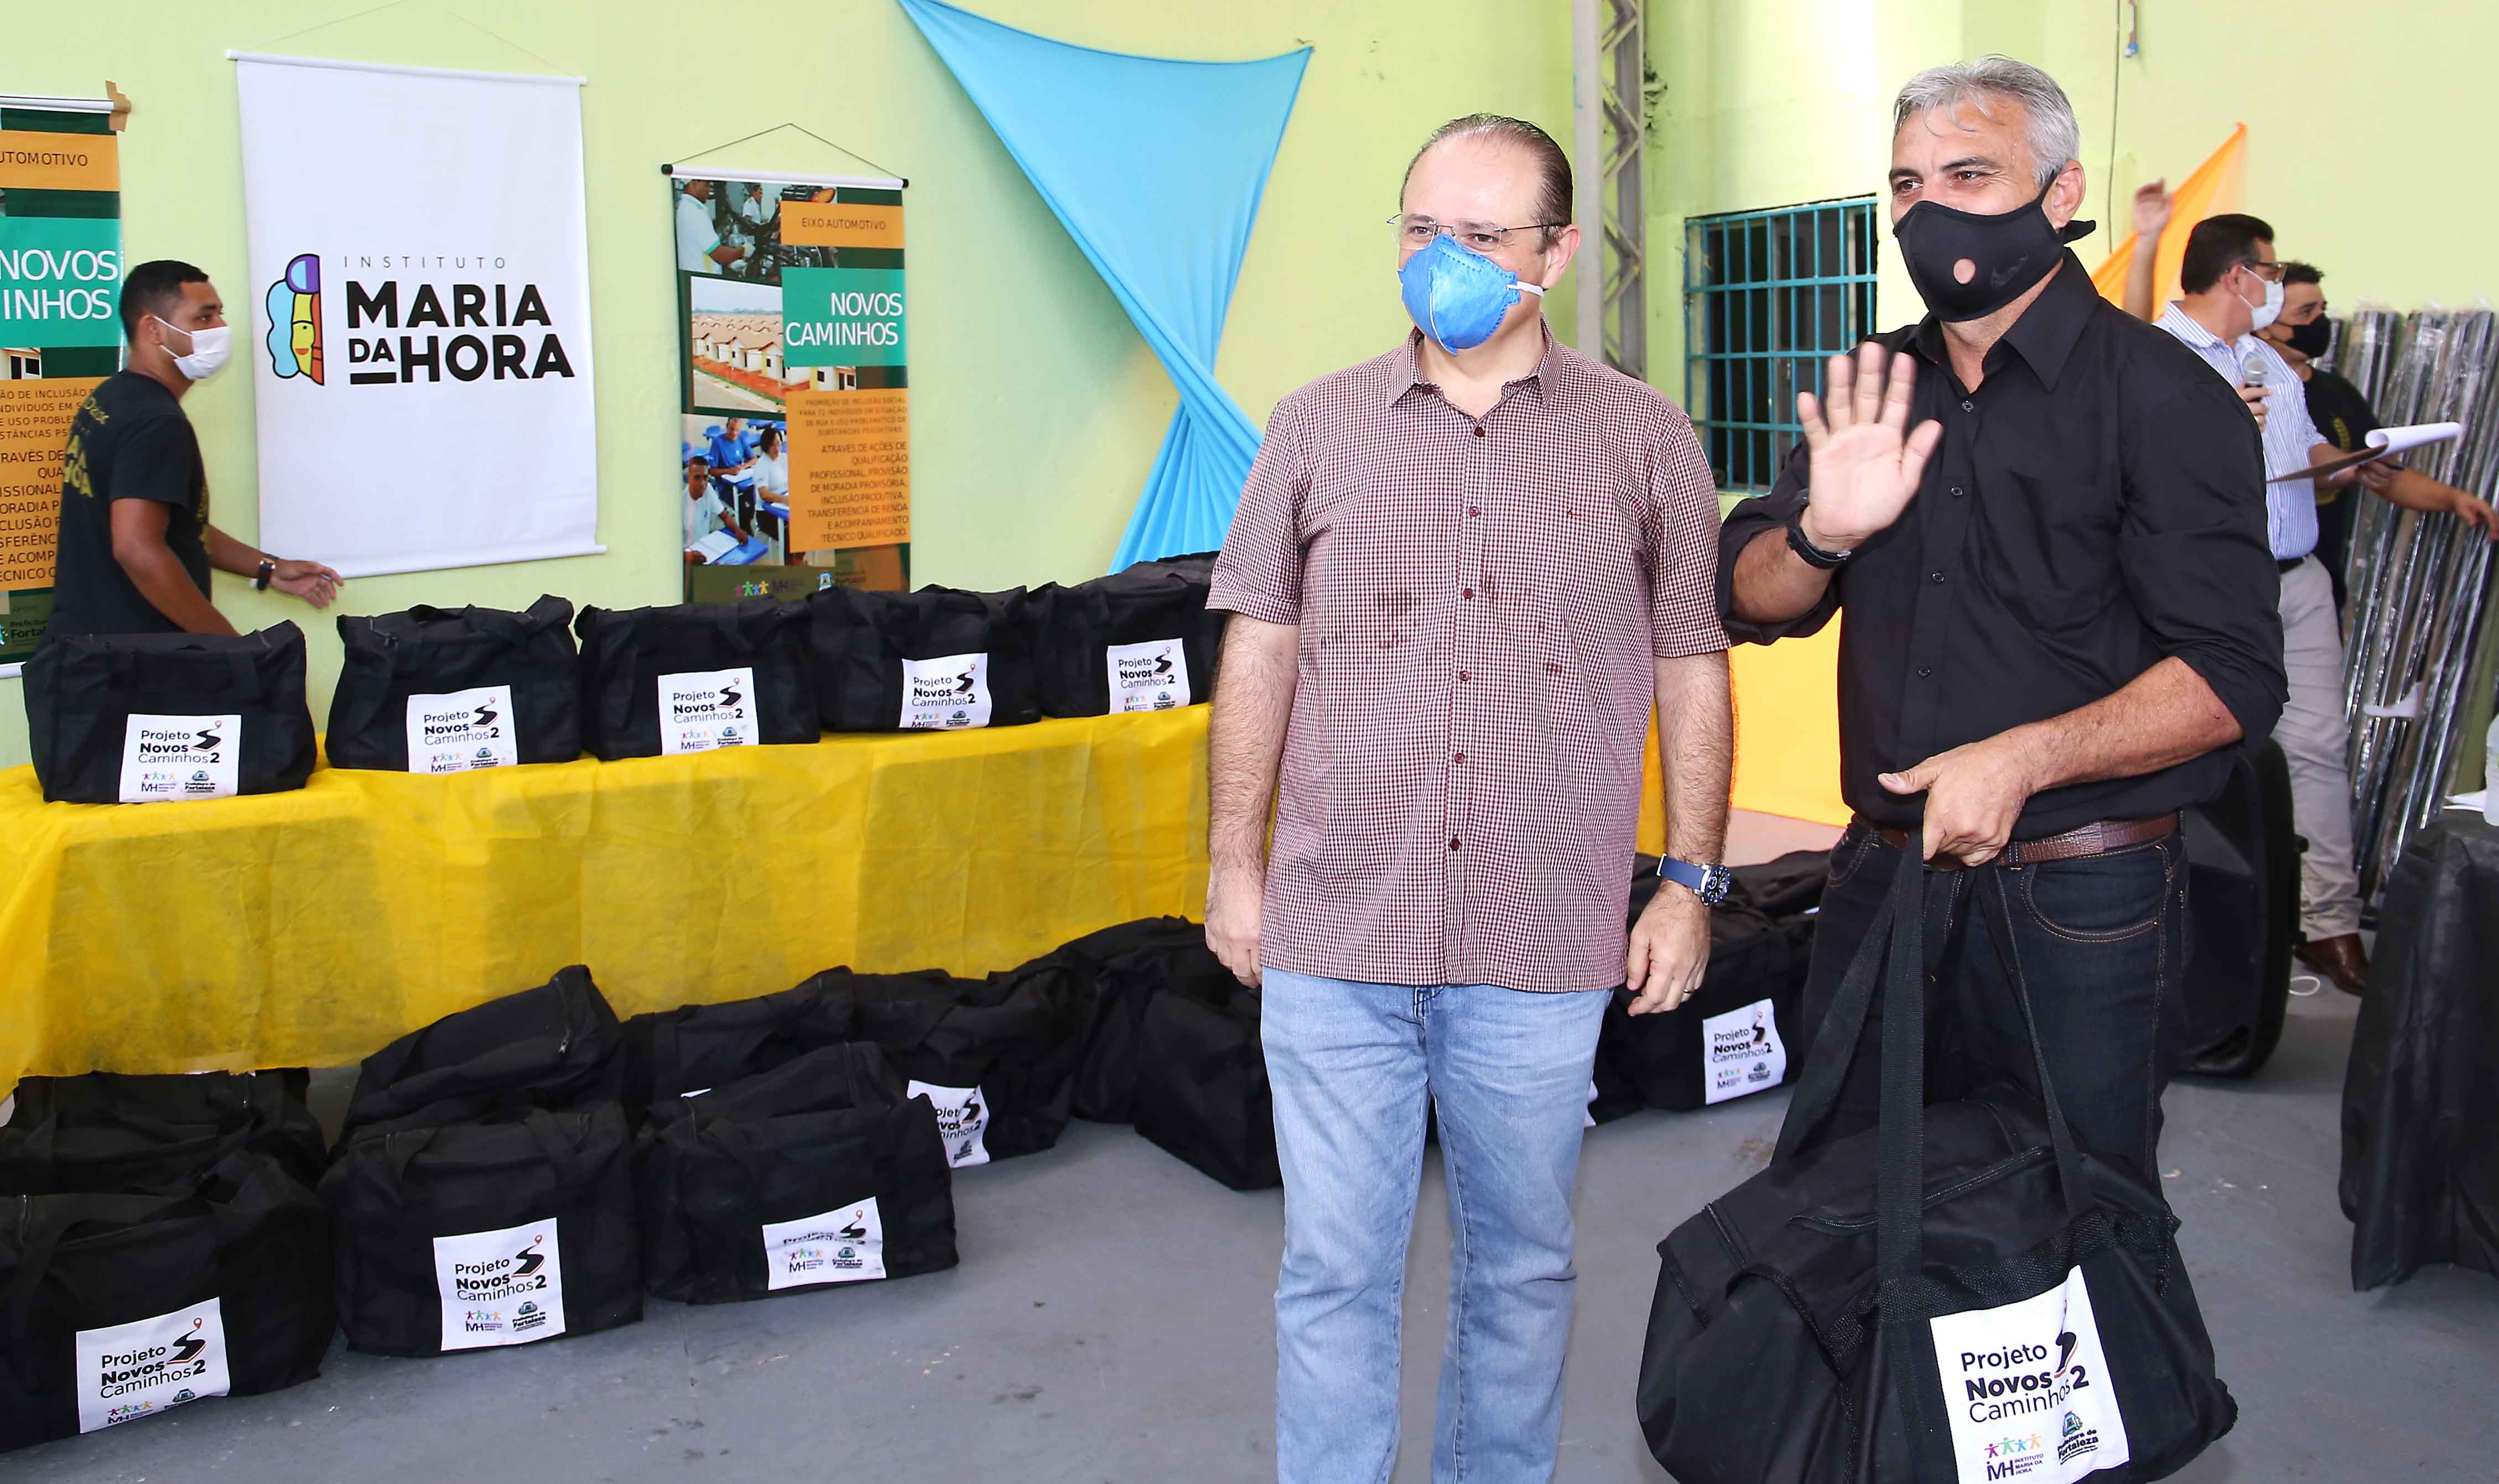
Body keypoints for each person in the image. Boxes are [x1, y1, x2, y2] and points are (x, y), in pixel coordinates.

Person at [1205, 113, 1733, 1482]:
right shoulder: (1313, 427)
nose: (1442, 258)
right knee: (1332, 1275)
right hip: (1337, 931)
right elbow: (1258, 640)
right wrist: (1232, 863)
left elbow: (1691, 657)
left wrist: (1688, 880)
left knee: (1520, 1274)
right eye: (1420, 228)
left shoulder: (1645, 439)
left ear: (1555, 253)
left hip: (1540, 944)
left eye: (1482, 234)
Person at [1717, 58, 2285, 1181]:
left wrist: (2024, 758)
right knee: (1840, 1216)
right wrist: (1822, 534)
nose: (1927, 209)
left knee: (2070, 1226)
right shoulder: (1867, 386)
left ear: (2061, 193)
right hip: (1878, 886)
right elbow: (1745, 596)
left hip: (2082, 900)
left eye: (1968, 174)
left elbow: (2230, 674)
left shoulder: (2163, 401)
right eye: (1906, 184)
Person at [2149, 215, 2377, 994]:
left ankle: (2328, 925)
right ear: (2238, 275)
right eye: (2272, 272)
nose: (2280, 288)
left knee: (2317, 746)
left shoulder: (2267, 360)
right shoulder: (2152, 356)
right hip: (2207, 584)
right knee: (2192, 753)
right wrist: (2212, 428)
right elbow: (2130, 478)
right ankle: (2189, 935)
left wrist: (2350, 463)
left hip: (2298, 577)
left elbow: (2306, 450)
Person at [48, 260, 341, 641]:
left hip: (86, 657)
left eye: (219, 314)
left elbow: (171, 522)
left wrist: (268, 567)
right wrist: (236, 651)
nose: (220, 329)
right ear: (154, 329)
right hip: (132, 667)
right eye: (203, 319)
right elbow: (137, 547)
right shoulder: (156, 422)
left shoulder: (113, 397)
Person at [2262, 262, 2499, 606]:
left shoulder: (2337, 392)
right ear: (2266, 325)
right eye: (2306, 312)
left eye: (2322, 310)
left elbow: (2382, 473)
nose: (2320, 322)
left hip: (2318, 576)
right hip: (2262, 578)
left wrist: (2454, 499)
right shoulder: (2252, 394)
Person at [682, 447, 747, 563]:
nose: (702, 483)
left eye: (705, 478)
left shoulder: (708, 490)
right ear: (689, 478)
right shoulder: (679, 505)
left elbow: (725, 516)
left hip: (706, 549)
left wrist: (738, 531)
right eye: (697, 478)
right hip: (685, 559)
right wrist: (686, 556)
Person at [674, 179, 750, 275]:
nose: (709, 190)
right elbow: (720, 255)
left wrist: (729, 265)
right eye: (707, 185)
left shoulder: (684, 206)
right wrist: (744, 250)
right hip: (705, 281)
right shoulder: (695, 212)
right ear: (694, 183)